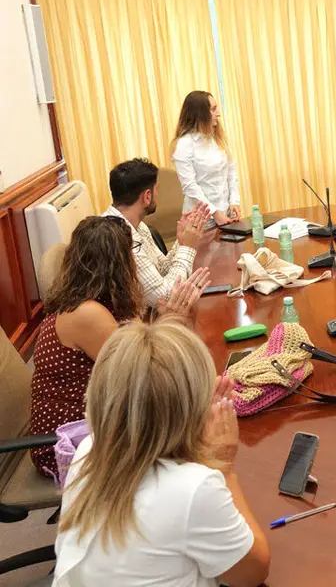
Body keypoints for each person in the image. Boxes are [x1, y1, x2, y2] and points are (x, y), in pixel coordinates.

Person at [53, 320, 270, 586]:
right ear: (189, 409)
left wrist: (192, 425)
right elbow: (252, 573)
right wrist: (225, 468)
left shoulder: (88, 449)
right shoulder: (194, 489)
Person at [29, 216, 208, 480]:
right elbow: (144, 372)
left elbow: (137, 347)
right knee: (187, 422)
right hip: (71, 441)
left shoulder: (102, 301)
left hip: (105, 418)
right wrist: (172, 321)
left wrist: (162, 320)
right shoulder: (86, 313)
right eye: (132, 252)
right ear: (118, 262)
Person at [105, 158, 212, 305]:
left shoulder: (138, 226)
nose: (158, 195)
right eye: (157, 190)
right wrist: (188, 247)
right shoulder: (119, 237)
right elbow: (165, 297)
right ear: (147, 196)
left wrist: (182, 240)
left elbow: (161, 269)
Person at [172, 90, 241, 226]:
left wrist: (234, 201)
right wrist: (215, 213)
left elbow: (231, 172)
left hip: (225, 214)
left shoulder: (217, 139)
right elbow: (190, 187)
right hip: (201, 220)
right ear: (200, 113)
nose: (218, 114)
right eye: (213, 109)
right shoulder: (184, 144)